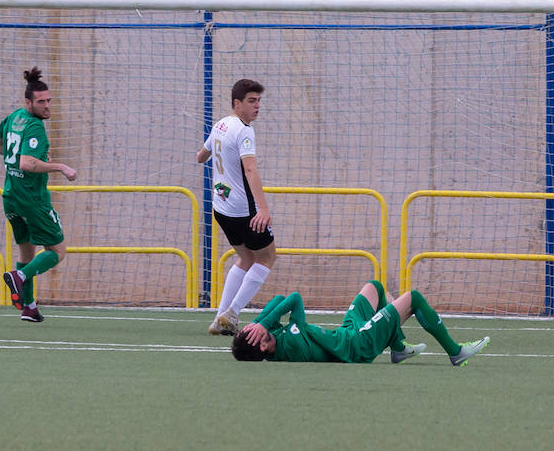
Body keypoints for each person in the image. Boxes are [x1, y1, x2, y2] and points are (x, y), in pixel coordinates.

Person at [230, 279, 490, 365]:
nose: (253, 328)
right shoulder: (291, 342)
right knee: (414, 299)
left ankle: (398, 347)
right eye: (251, 332)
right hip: (358, 344)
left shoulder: (272, 341)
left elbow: (277, 298)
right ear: (262, 347)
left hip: (347, 333)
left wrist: (261, 322)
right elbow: (294, 299)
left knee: (374, 287)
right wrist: (264, 323)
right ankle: (457, 353)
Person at [0, 68, 77, 323]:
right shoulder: (34, 126)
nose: (46, 106)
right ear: (27, 102)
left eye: (49, 100)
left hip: (11, 196)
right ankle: (19, 277)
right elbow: (27, 163)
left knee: (26, 252)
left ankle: (28, 308)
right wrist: (60, 167)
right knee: (57, 250)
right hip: (32, 199)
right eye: (41, 102)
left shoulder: (13, 118)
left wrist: (28, 158)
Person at [198, 79, 275, 336]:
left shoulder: (220, 124)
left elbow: (201, 156)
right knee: (267, 257)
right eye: (251, 101)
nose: (257, 106)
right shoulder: (244, 130)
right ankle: (231, 314)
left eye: (259, 101)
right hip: (244, 210)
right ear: (237, 103)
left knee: (246, 258)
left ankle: (220, 316)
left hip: (221, 207)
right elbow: (250, 168)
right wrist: (262, 209)